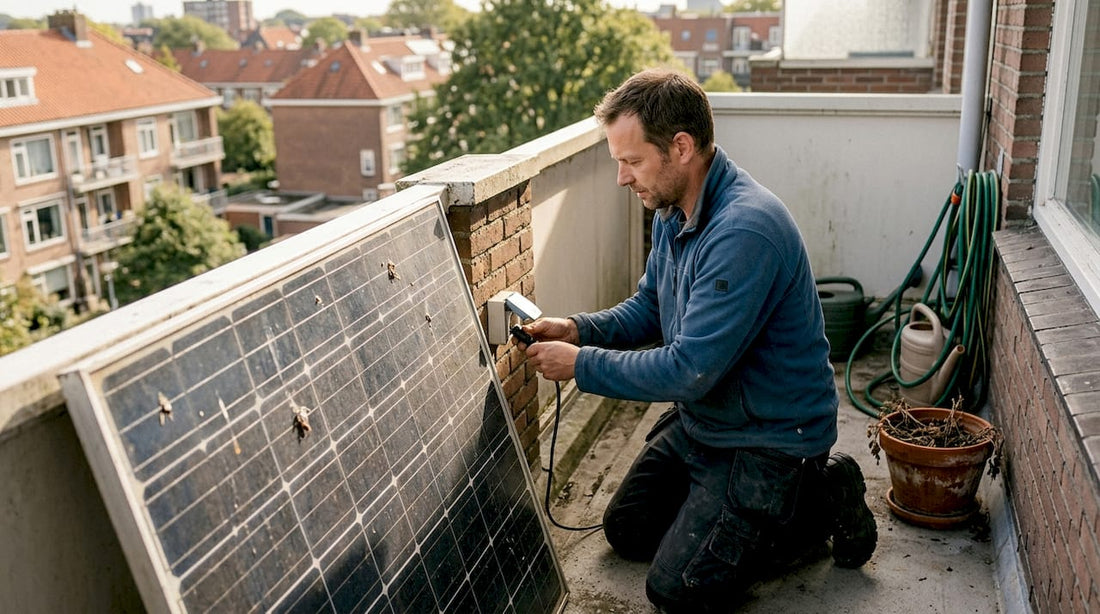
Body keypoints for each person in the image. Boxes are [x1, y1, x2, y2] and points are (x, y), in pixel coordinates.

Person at [517, 69, 877, 612]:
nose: (620, 177)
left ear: (681, 147)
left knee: (678, 589)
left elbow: (689, 369)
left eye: (631, 161)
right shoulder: (672, 210)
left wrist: (581, 364)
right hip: (706, 423)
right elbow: (651, 308)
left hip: (768, 438)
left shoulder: (743, 231)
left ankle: (820, 495)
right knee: (629, 531)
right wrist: (578, 328)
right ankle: (731, 514)